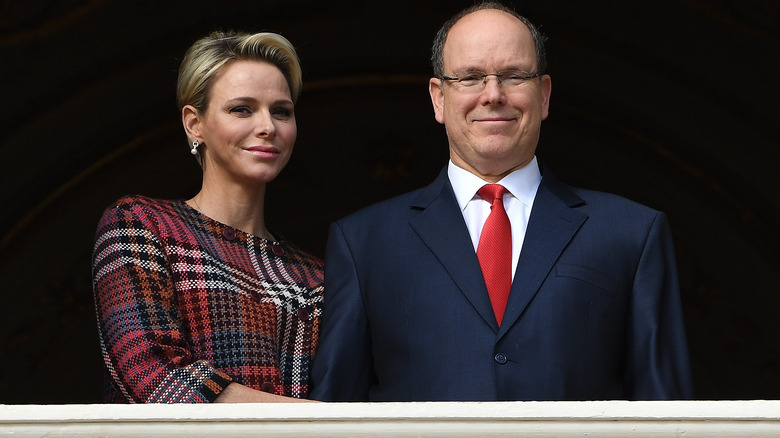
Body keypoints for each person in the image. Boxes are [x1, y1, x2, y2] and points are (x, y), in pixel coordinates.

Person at [311, 2, 693, 401]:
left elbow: (667, 412)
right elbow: (335, 413)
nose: (492, 95)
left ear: (543, 95)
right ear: (438, 98)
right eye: (471, 78)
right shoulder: (364, 241)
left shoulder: (631, 233)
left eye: (514, 76)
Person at [92, 31, 323, 403]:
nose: (268, 126)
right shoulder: (141, 224)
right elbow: (153, 373)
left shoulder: (316, 277)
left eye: (281, 111)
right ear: (194, 124)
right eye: (241, 109)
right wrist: (317, 417)